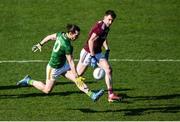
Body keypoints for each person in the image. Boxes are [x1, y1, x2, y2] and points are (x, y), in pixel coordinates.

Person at [17, 24, 104, 102]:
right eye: (76, 35)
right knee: (47, 90)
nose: (77, 37)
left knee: (76, 80)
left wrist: (40, 44)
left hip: (62, 65)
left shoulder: (60, 34)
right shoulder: (67, 46)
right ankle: (28, 80)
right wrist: (76, 75)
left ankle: (92, 95)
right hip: (53, 68)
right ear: (70, 33)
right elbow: (70, 61)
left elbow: (50, 37)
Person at [76, 10, 122, 102]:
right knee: (77, 76)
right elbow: (90, 41)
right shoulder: (99, 28)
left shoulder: (106, 27)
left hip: (97, 52)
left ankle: (110, 94)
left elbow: (103, 38)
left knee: (108, 69)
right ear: (104, 17)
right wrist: (92, 57)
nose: (110, 22)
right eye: (109, 20)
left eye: (112, 21)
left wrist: (107, 49)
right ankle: (61, 71)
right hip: (88, 52)